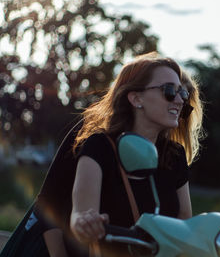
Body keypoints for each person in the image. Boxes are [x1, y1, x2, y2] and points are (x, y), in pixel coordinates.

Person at [0, 52, 204, 257]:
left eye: (182, 94)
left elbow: (184, 223)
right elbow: (76, 212)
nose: (179, 101)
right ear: (136, 98)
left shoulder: (174, 155)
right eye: (169, 91)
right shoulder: (98, 144)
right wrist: (84, 224)